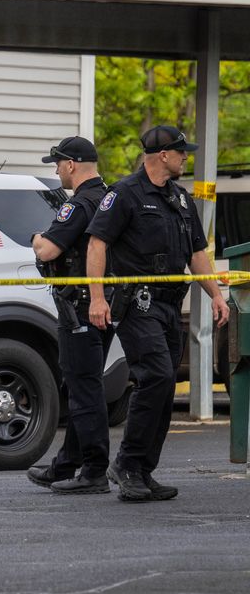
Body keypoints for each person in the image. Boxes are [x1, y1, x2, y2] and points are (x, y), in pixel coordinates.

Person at [86, 125, 229, 502]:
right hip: (137, 304)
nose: (186, 158)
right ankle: (127, 464)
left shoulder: (180, 200)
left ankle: (142, 470)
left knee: (165, 388)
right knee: (158, 376)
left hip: (169, 305)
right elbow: (97, 244)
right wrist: (96, 298)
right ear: (163, 155)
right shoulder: (123, 195)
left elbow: (197, 253)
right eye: (182, 152)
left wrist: (216, 294)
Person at [27, 137, 115, 495]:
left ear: (72, 165)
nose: (56, 169)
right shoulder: (110, 198)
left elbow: (48, 249)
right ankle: (66, 463)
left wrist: (35, 237)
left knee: (83, 387)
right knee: (85, 383)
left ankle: (94, 469)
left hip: (79, 304)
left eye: (57, 163)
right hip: (106, 302)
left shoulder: (79, 204)